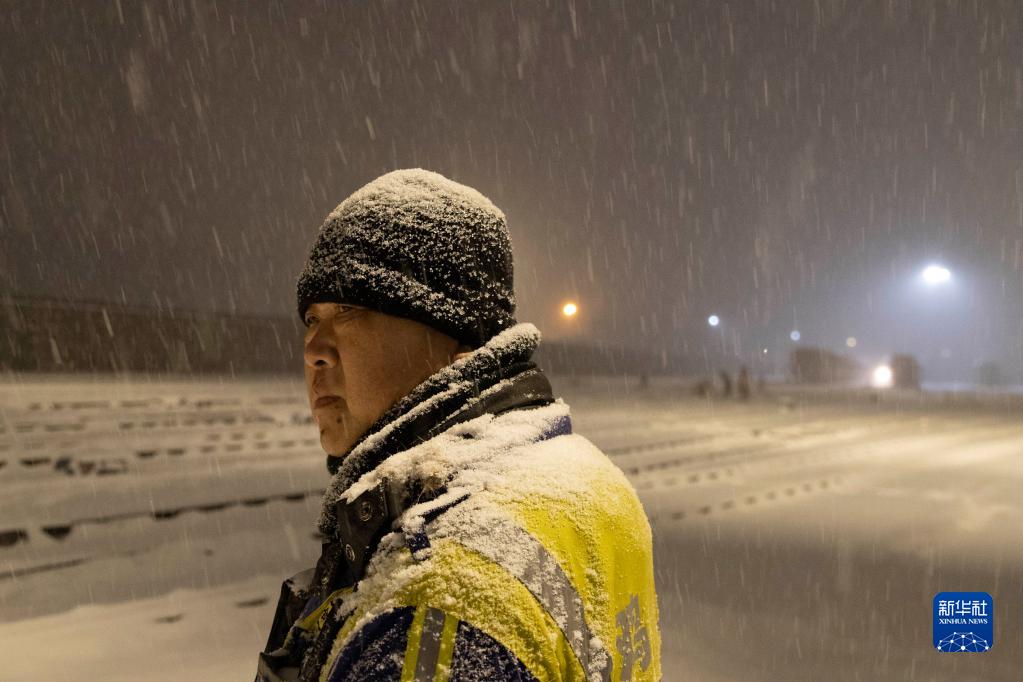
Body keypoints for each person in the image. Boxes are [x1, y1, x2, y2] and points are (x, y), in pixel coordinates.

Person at [257, 169, 661, 681]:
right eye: (312, 319)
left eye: (351, 309)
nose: (314, 350)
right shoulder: (580, 476)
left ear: (452, 338)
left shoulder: (434, 600)